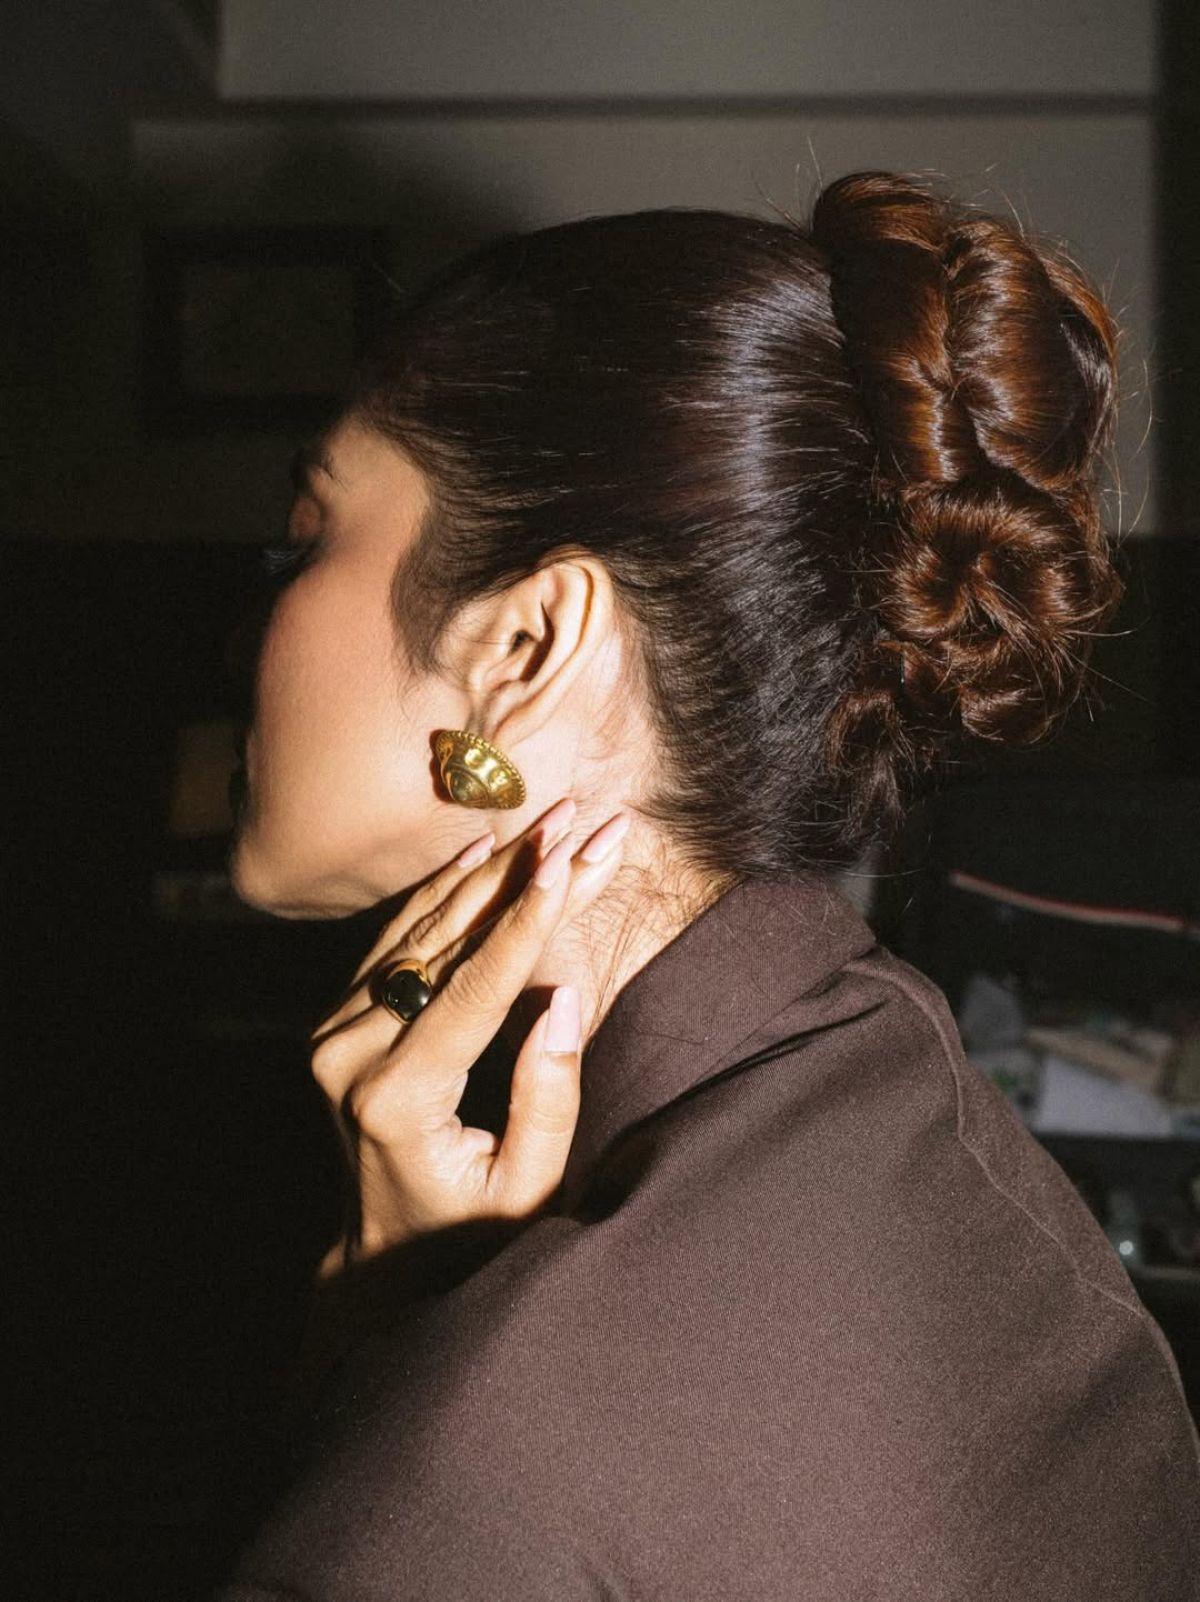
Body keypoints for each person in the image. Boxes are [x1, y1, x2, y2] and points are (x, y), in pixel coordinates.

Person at [216, 171, 1200, 1599]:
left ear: (529, 648)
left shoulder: (488, 1461)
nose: (252, 620)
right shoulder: (944, 1146)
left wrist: (383, 1357)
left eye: (309, 536)